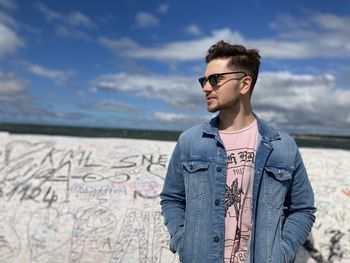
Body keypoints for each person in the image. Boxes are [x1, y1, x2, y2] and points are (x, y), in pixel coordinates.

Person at [160, 40, 316, 263]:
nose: (206, 87)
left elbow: (303, 208)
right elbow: (171, 198)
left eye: (215, 79)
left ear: (244, 84)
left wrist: (281, 253)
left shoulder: (282, 147)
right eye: (203, 80)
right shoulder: (190, 142)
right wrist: (182, 241)